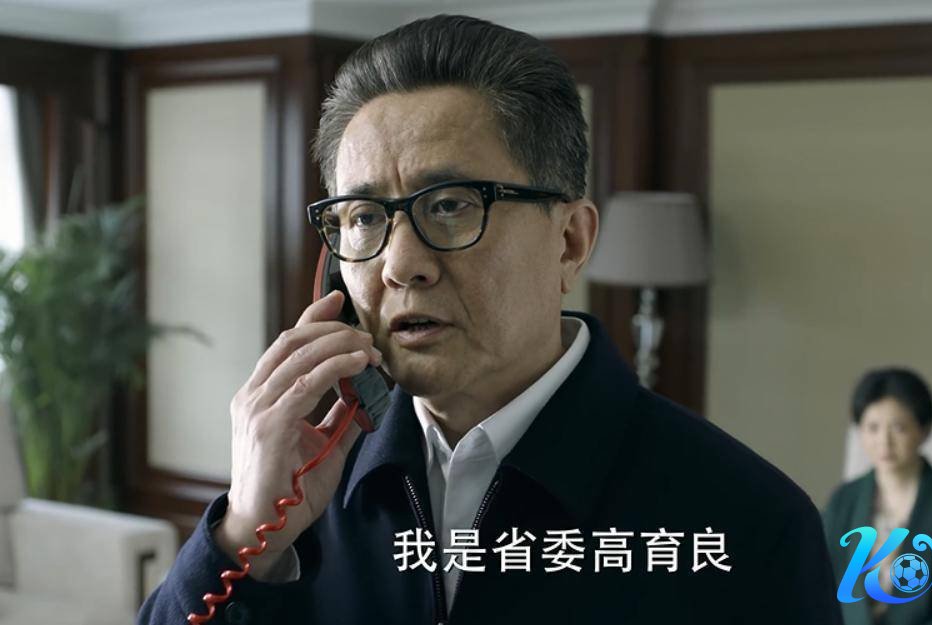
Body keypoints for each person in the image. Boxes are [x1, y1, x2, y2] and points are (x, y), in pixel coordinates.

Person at [138, 15, 842, 625]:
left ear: (569, 241)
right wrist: (243, 536)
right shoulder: (308, 484)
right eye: (364, 218)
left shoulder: (747, 521)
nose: (400, 265)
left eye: (450, 204)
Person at [822, 367, 932, 625]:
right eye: (872, 428)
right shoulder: (843, 500)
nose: (884, 441)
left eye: (898, 428)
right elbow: (819, 585)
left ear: (924, 430)